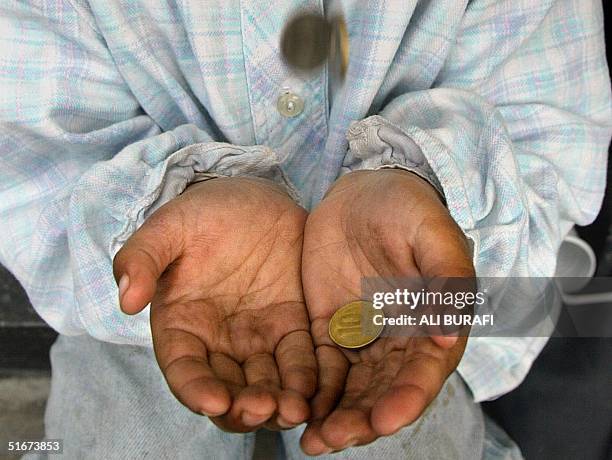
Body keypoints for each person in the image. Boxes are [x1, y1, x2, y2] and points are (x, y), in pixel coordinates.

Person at [0, 1, 610, 458]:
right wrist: (161, 204)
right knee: (125, 439)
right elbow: (32, 159)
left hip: (406, 298)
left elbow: (546, 138)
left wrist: (428, 182)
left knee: (399, 437)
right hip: (147, 296)